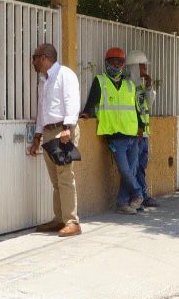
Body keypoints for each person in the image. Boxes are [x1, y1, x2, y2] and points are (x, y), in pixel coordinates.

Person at [26, 43, 82, 237]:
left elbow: (72, 101)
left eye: (34, 58)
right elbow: (42, 111)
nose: (32, 62)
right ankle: (59, 219)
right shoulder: (44, 80)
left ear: (43, 58)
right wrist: (37, 137)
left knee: (65, 177)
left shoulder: (65, 74)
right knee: (56, 181)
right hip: (49, 132)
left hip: (63, 130)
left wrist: (67, 128)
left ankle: (72, 222)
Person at [81, 46, 144, 213]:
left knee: (130, 171)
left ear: (123, 65)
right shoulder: (100, 81)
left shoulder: (130, 85)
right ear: (106, 63)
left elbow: (136, 109)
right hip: (115, 137)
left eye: (120, 62)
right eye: (113, 62)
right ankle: (138, 193)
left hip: (132, 134)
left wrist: (140, 128)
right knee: (124, 170)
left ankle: (122, 203)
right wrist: (86, 113)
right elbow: (92, 102)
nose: (116, 65)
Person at [133, 63, 159, 210]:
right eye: (141, 68)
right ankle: (140, 196)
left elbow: (148, 104)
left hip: (144, 134)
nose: (144, 71)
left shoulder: (141, 89)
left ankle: (143, 195)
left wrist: (149, 85)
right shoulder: (130, 86)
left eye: (145, 69)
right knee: (135, 167)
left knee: (141, 167)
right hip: (136, 133)